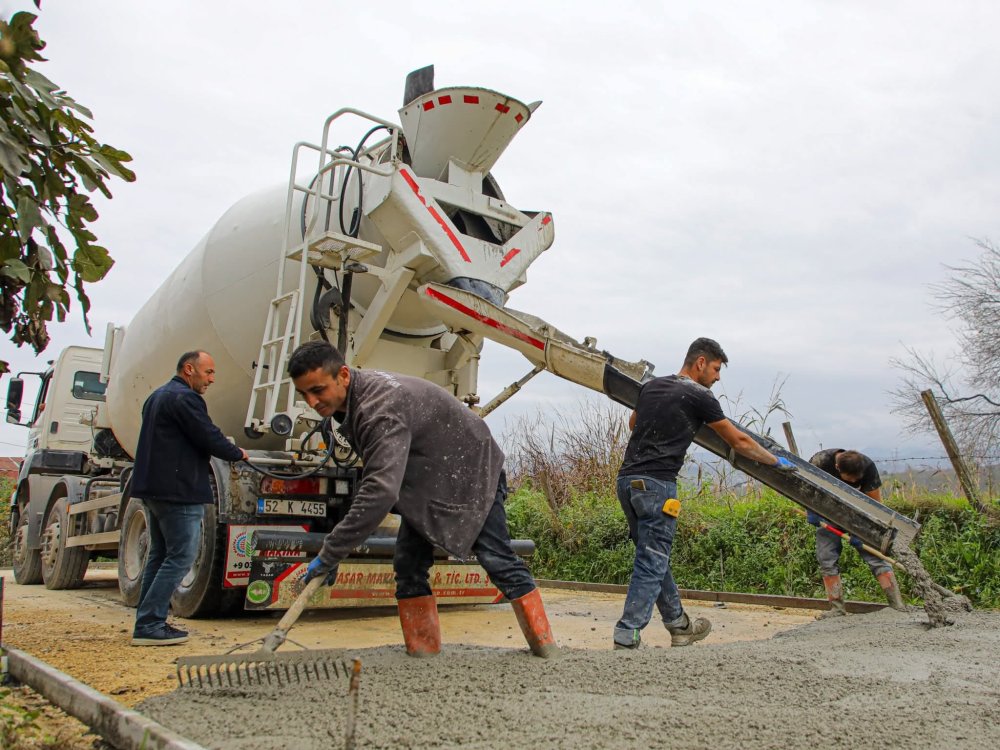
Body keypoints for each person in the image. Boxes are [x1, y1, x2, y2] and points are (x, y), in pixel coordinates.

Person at [289, 340, 557, 659]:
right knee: (409, 563)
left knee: (496, 558)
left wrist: (331, 551)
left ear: (343, 375)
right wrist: (337, 549)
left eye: (318, 390)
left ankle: (545, 647)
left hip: (471, 472)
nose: (312, 401)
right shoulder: (356, 400)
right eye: (304, 394)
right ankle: (422, 652)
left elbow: (380, 490)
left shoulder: (378, 408)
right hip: (431, 481)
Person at [613, 337, 796, 650]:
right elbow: (738, 441)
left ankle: (680, 626)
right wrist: (775, 461)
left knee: (654, 557)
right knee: (651, 560)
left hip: (628, 482)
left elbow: (633, 423)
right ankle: (627, 634)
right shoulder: (699, 395)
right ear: (700, 363)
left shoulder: (651, 387)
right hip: (658, 486)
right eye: (715, 368)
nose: (717, 377)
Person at [130, 351, 248, 646]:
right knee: (181, 556)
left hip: (154, 489)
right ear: (189, 369)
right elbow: (207, 435)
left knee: (159, 556)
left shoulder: (157, 397)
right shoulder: (185, 399)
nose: (212, 379)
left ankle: (147, 620)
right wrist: (237, 453)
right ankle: (150, 625)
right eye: (208, 372)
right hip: (178, 491)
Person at [806, 448, 906, 617]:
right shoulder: (820, 462)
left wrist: (863, 532)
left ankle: (897, 606)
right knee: (826, 559)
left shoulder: (867, 467)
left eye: (857, 478)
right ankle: (837, 609)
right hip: (827, 513)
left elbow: (875, 506)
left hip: (858, 516)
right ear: (838, 468)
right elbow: (804, 487)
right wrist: (811, 511)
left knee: (876, 559)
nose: (854, 481)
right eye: (850, 478)